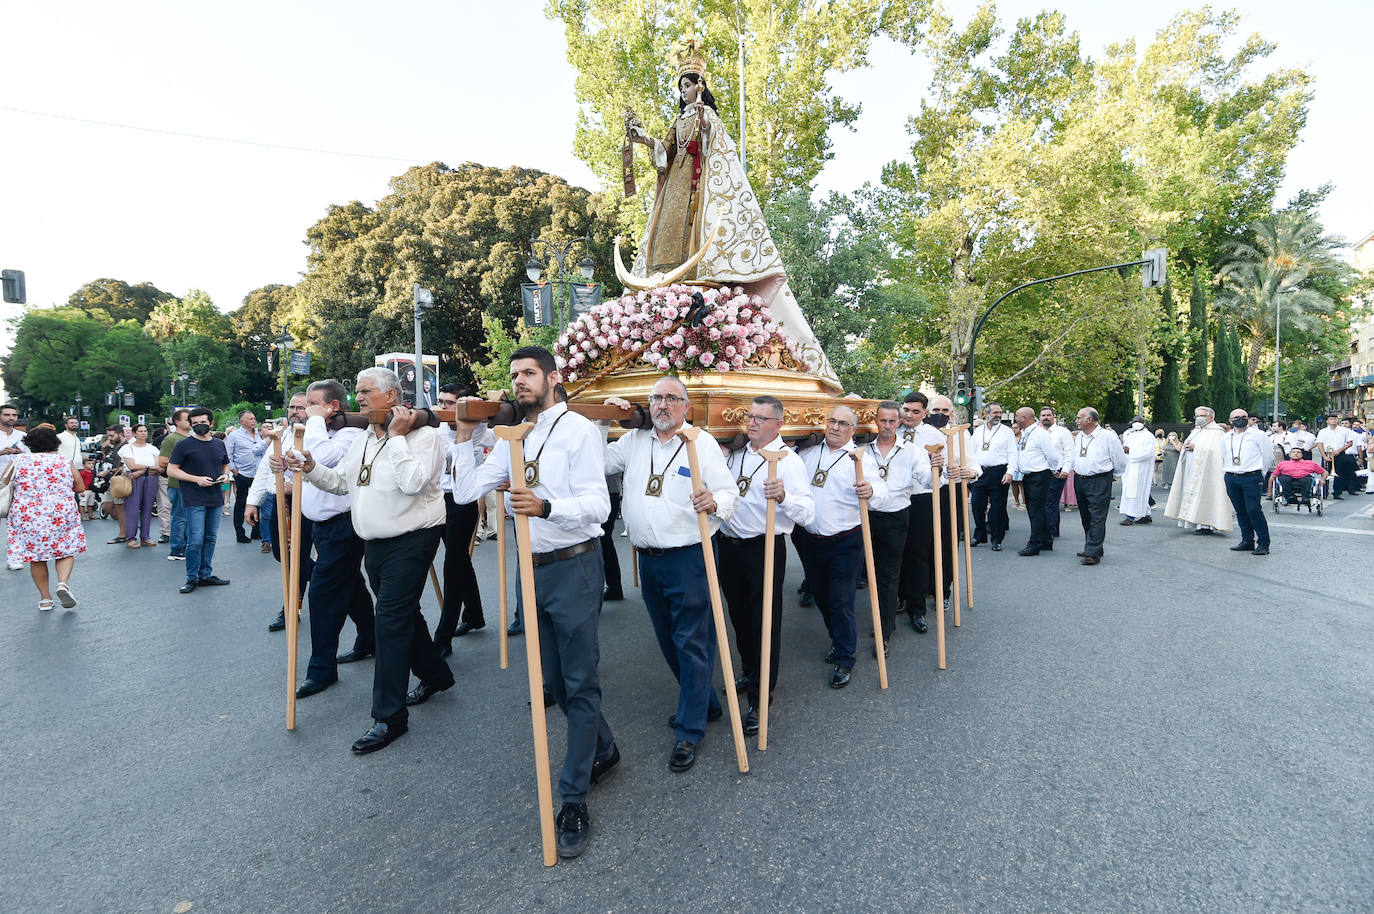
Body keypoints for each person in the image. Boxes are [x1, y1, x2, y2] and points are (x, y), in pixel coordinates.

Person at [447, 347, 616, 858]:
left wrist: (546, 506)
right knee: (556, 682)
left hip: (575, 565)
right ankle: (605, 748)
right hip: (531, 568)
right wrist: (464, 438)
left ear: (553, 378)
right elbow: (465, 492)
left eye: (529, 373)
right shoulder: (512, 437)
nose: (519, 381)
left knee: (579, 681)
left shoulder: (578, 431)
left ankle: (573, 797)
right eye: (514, 374)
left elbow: (599, 506)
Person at [289, 367, 452, 755]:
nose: (358, 398)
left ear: (391, 396)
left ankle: (389, 717)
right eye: (358, 392)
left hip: (413, 539)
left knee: (389, 621)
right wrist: (310, 468)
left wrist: (395, 438)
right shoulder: (363, 438)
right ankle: (436, 674)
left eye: (366, 391)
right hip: (375, 543)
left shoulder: (425, 437)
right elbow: (341, 483)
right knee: (404, 615)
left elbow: (414, 483)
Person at [604, 375, 737, 771]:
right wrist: (601, 419)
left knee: (691, 641)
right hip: (648, 559)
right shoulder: (633, 441)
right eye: (657, 398)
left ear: (686, 406)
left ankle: (689, 730)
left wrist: (714, 501)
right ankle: (705, 702)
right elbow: (597, 464)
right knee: (667, 639)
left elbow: (728, 492)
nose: (663, 405)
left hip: (689, 558)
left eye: (672, 398)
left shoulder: (700, 442)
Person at [270, 382, 377, 692]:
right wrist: (284, 466)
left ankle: (321, 669)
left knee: (322, 595)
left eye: (312, 403)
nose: (306, 409)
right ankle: (371, 639)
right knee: (351, 587)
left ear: (333, 406)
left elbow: (320, 457)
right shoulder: (312, 431)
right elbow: (302, 468)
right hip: (319, 524)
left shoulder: (351, 433)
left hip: (344, 524)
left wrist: (315, 420)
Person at [719, 395, 816, 731]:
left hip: (764, 547)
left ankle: (761, 698)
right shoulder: (735, 454)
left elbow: (808, 512)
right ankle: (750, 672)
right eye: (750, 416)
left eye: (761, 418)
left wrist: (784, 496)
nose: (752, 422)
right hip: (729, 546)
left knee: (764, 623)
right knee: (739, 617)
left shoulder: (788, 461)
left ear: (778, 424)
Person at [792, 405, 885, 689]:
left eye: (842, 423)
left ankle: (845, 657)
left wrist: (871, 490)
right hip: (810, 540)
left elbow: (881, 490)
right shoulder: (808, 454)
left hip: (845, 541)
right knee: (821, 595)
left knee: (841, 600)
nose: (835, 427)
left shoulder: (860, 459)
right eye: (831, 421)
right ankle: (838, 639)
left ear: (852, 429)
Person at [433, 383, 493, 654]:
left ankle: (443, 637)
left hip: (463, 501)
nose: (443, 407)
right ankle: (474, 614)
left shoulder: (475, 425)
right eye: (441, 401)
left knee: (453, 565)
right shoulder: (438, 425)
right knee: (459, 562)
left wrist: (469, 407)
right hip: (439, 499)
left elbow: (450, 450)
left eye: (449, 403)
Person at [863, 401, 924, 659]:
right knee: (868, 574)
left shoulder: (911, 451)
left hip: (896, 517)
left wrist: (939, 469)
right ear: (876, 421)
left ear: (899, 422)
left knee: (888, 575)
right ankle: (875, 619)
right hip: (865, 517)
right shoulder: (861, 450)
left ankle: (884, 631)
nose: (887, 426)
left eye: (891, 421)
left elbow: (926, 476)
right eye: (883, 420)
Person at [245, 394, 310, 631]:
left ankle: (291, 608)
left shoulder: (317, 435)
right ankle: (325, 574)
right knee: (282, 553)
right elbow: (265, 469)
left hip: (308, 503)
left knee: (297, 556)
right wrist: (252, 502)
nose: (294, 411)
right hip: (281, 500)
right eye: (291, 407)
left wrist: (299, 486)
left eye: (300, 407)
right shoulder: (282, 435)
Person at [4, 424, 87, 609]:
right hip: (60, 512)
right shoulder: (64, 461)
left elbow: (4, 483)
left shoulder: (19, 461)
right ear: (55, 443)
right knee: (65, 550)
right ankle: (62, 583)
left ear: (29, 444)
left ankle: (45, 599)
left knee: (37, 557)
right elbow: (80, 487)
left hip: (28, 515)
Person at [167, 408, 232, 593]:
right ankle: (192, 578)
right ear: (190, 425)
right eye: (194, 423)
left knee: (210, 538)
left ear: (211, 423)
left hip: (215, 496)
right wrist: (196, 479)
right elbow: (171, 470)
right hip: (193, 497)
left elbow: (225, 464)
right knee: (195, 539)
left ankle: (205, 575)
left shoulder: (218, 444)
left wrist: (225, 475)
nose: (199, 426)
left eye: (202, 422)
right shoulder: (183, 445)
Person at [896, 392, 935, 630]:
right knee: (894, 552)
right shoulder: (890, 429)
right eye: (906, 410)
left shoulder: (934, 435)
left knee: (918, 554)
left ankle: (917, 608)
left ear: (925, 413)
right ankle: (898, 597)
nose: (909, 415)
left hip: (920, 498)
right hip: (893, 500)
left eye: (915, 411)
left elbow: (946, 469)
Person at [1069, 407, 1126, 565]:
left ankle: (1092, 552)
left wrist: (1114, 475)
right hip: (1080, 480)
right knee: (1086, 516)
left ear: (1089, 420)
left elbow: (1120, 459)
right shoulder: (1080, 436)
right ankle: (1094, 546)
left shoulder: (1108, 436)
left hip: (1099, 480)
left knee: (1097, 517)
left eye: (1079, 418)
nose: (1076, 421)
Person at [1165, 407, 1233, 535]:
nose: (1198, 418)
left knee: (1205, 495)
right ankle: (1193, 521)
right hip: (1192, 468)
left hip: (1207, 472)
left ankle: (1206, 524)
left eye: (1202, 415)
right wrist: (1186, 447)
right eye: (1196, 416)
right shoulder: (1196, 431)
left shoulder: (1217, 432)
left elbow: (1216, 451)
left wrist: (1196, 447)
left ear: (1211, 417)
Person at [1006, 406, 1061, 555]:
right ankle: (1046, 540)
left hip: (1039, 475)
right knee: (1036, 509)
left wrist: (1054, 470)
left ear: (1024, 418)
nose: (1016, 420)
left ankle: (1035, 543)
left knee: (1035, 510)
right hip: (1029, 476)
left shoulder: (1040, 433)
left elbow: (1052, 455)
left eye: (1017, 417)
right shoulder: (1025, 433)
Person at [1223, 408, 1274, 555]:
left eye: (1243, 416)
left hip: (1251, 476)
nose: (1240, 419)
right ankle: (1247, 540)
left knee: (1253, 510)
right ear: (1230, 421)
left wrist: (1260, 473)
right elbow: (1225, 455)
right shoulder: (1226, 437)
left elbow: (1267, 456)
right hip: (1232, 476)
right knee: (1240, 510)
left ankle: (1263, 543)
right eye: (1236, 417)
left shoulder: (1258, 435)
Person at [967, 403, 1015, 549]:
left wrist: (1010, 472)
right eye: (995, 412)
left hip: (999, 472)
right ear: (986, 414)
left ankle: (996, 539)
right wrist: (971, 470)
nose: (998, 415)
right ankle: (979, 535)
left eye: (1000, 412)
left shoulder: (1007, 431)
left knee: (997, 508)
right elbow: (971, 452)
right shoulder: (978, 431)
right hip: (979, 472)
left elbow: (1013, 453)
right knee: (976, 504)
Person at [224, 409, 267, 543]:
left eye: (254, 418)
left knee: (257, 502)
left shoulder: (258, 435)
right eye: (250, 419)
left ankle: (256, 531)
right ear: (242, 421)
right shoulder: (234, 436)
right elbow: (228, 455)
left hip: (257, 473)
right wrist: (235, 471)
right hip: (242, 473)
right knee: (241, 503)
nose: (254, 421)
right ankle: (240, 533)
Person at [118, 423, 161, 548]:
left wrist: (141, 471)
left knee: (148, 508)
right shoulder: (127, 448)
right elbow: (131, 466)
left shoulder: (153, 448)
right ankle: (131, 538)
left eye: (145, 431)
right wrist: (148, 468)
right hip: (134, 479)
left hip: (150, 478)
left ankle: (145, 537)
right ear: (134, 433)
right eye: (140, 431)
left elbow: (158, 467)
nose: (143, 433)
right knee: (132, 508)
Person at [159, 410, 191, 561]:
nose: (190, 422)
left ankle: (187, 546)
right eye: (187, 419)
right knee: (179, 517)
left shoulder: (192, 438)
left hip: (192, 483)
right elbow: (162, 461)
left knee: (190, 517)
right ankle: (177, 549)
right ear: (177, 422)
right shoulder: (170, 439)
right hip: (177, 483)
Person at [1, 403, 30, 571]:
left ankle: (14, 557)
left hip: (17, 482)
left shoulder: (23, 436)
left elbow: (33, 456)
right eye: (7, 415)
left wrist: (21, 454)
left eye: (14, 415)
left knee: (16, 521)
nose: (11, 418)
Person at [1041, 408, 1075, 536]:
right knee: (1043, 502)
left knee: (1051, 501)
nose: (1046, 417)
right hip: (1040, 472)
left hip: (1057, 473)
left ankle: (1051, 530)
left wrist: (1066, 469)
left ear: (1054, 417)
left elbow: (1069, 451)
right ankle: (1048, 528)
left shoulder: (1062, 432)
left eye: (1049, 415)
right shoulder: (1038, 432)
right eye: (1043, 415)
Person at [1118, 416, 1156, 524]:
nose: (1137, 423)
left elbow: (1148, 452)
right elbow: (1125, 447)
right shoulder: (1131, 434)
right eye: (1135, 421)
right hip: (1129, 466)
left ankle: (1130, 517)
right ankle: (1147, 514)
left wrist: (1130, 451)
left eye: (1139, 421)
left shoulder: (1148, 436)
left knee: (1135, 491)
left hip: (1140, 467)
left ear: (1144, 423)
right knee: (1136, 491)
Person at [1315, 414, 1359, 499]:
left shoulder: (1344, 430)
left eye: (1335, 419)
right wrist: (1324, 456)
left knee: (1340, 473)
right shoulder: (1322, 431)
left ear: (1338, 420)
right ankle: (1324, 492)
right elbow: (1320, 444)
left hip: (1339, 453)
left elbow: (1350, 443)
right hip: (1327, 453)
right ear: (1327, 421)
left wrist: (1339, 450)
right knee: (1325, 473)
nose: (1333, 421)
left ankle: (1337, 492)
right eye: (1331, 419)